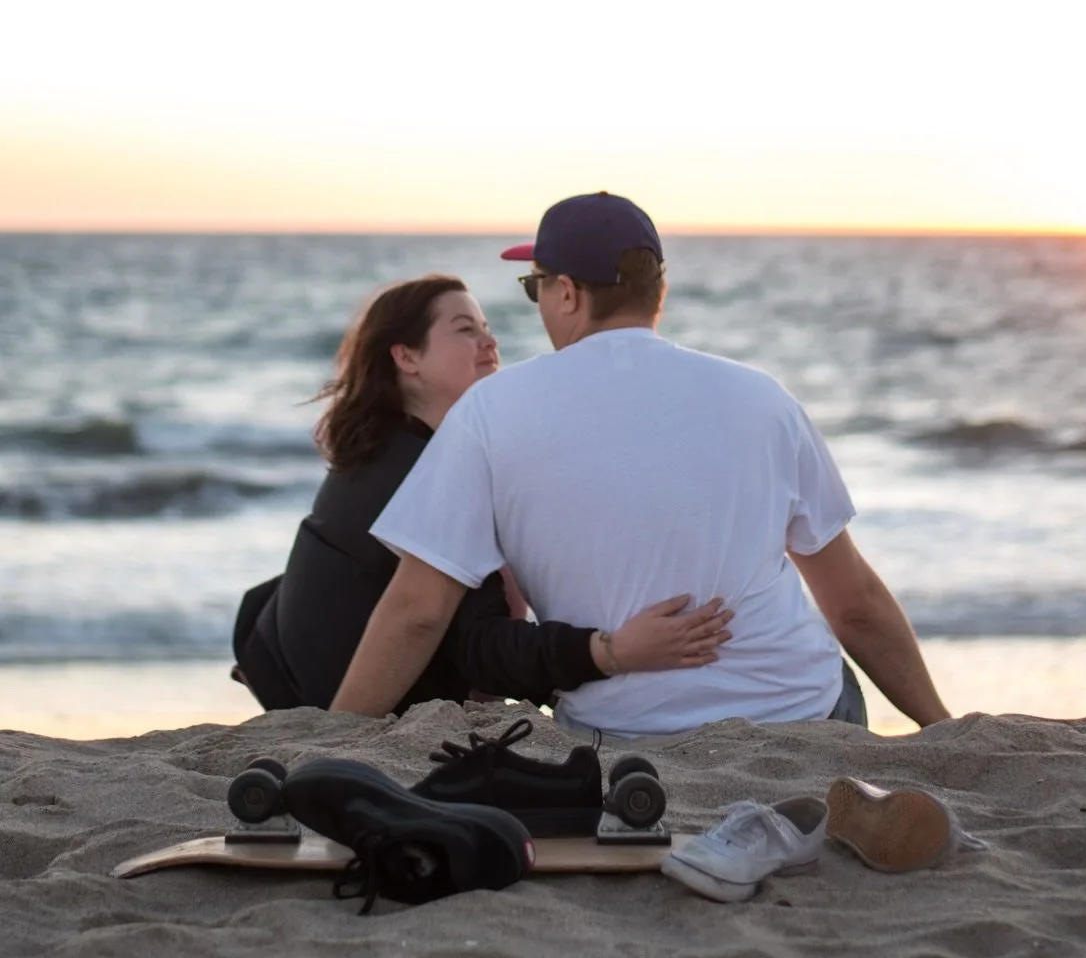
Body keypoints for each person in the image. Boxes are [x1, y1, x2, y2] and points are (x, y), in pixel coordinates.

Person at [331, 195, 951, 738]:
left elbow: (417, 611)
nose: (540, 303)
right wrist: (941, 729)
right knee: (822, 670)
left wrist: (333, 738)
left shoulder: (491, 411)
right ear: (659, 288)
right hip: (804, 717)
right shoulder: (762, 397)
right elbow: (855, 605)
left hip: (621, 734)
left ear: (567, 292)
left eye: (535, 286)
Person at [232, 273, 732, 714]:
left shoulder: (384, 450)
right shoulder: (408, 472)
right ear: (407, 357)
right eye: (465, 330)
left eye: (488, 328)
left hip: (289, 668)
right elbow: (479, 644)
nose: (489, 342)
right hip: (344, 704)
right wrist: (611, 652)